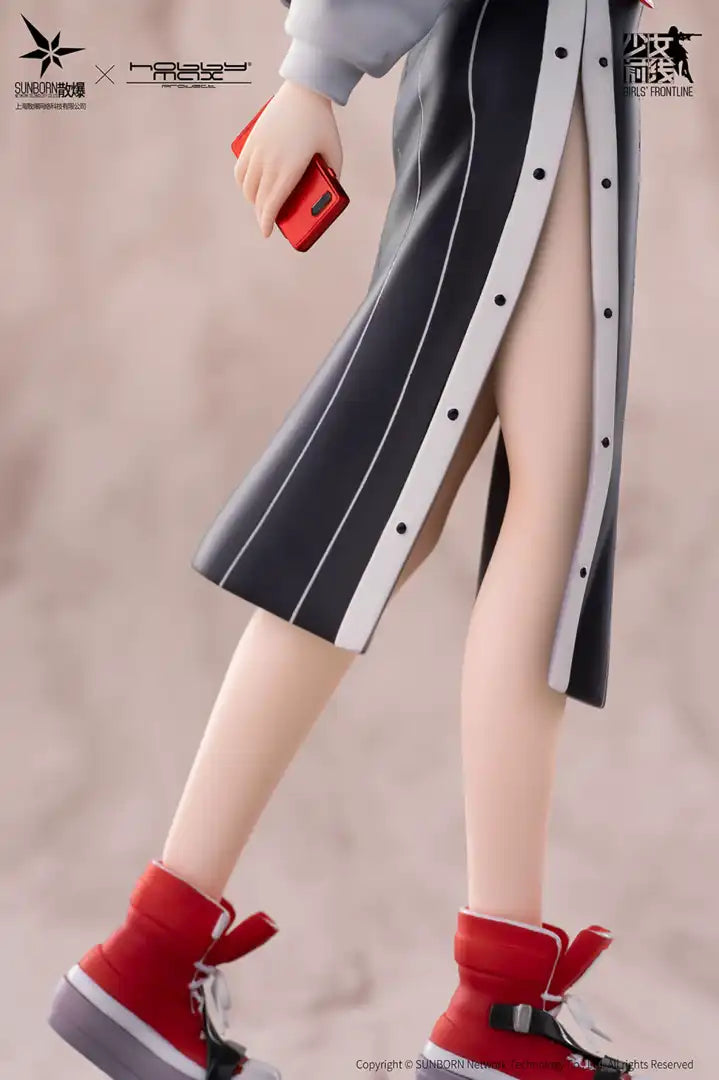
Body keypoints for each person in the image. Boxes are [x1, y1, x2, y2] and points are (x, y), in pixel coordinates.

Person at [48, 0, 653, 1077]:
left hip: (560, 72)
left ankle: (160, 949)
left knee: (395, 510)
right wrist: (314, 70)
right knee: (457, 507)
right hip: (525, 74)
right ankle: (491, 1003)